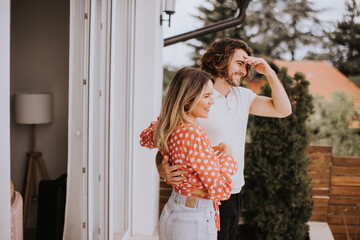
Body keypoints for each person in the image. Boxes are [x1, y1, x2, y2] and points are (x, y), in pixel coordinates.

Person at [157, 38, 292, 240]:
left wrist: (270, 74)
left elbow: (283, 110)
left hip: (234, 193)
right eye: (239, 63)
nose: (244, 71)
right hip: (203, 198)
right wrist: (161, 165)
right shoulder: (197, 97)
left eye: (246, 66)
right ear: (220, 59)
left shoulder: (243, 96)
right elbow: (165, 137)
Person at [140, 67, 238, 240]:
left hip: (173, 212)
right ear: (187, 100)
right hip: (193, 220)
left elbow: (147, 139)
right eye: (207, 96)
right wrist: (228, 156)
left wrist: (208, 154)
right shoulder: (194, 134)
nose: (211, 102)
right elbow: (221, 190)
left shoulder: (170, 126)